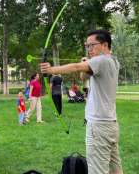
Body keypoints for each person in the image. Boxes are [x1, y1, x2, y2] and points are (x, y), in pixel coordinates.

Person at [40, 30, 123, 174]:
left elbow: (76, 67)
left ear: (104, 45)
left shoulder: (101, 60)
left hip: (99, 127)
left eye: (92, 45)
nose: (89, 49)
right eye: (87, 46)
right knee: (115, 169)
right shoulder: (113, 61)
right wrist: (86, 62)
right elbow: (83, 76)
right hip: (111, 125)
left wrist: (51, 69)